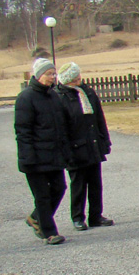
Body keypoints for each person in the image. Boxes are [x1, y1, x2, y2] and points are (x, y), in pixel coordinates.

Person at [15, 58, 70, 245]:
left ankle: (35, 218)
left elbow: (61, 126)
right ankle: (49, 232)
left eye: (54, 74)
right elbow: (23, 131)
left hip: (53, 154)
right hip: (35, 158)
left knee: (59, 188)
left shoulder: (54, 96)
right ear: (38, 75)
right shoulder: (26, 98)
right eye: (48, 74)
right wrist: (28, 157)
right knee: (42, 195)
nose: (52, 77)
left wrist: (65, 150)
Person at [55, 62, 114, 231]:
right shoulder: (60, 97)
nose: (79, 79)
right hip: (75, 148)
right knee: (78, 184)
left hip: (93, 144)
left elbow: (99, 119)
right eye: (76, 77)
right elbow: (62, 127)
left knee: (96, 183)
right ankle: (77, 217)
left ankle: (96, 215)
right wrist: (67, 150)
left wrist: (104, 140)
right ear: (69, 80)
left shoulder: (88, 92)